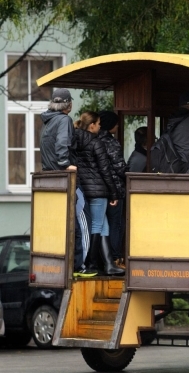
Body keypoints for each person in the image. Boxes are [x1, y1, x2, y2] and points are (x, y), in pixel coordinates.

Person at [40, 89, 95, 277]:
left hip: (52, 178)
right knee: (83, 219)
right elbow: (62, 144)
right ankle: (81, 265)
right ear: (68, 105)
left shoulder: (48, 123)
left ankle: (71, 264)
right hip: (67, 179)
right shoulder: (63, 120)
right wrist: (66, 165)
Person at [72, 112, 124, 276]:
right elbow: (105, 170)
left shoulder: (74, 140)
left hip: (84, 188)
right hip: (98, 189)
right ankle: (91, 262)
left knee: (103, 224)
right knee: (97, 225)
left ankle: (108, 263)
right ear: (92, 125)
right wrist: (113, 193)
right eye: (99, 124)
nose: (101, 127)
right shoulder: (96, 143)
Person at [97, 112, 128, 266]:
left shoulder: (94, 139)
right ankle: (115, 257)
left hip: (97, 189)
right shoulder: (111, 143)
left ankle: (102, 258)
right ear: (111, 125)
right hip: (115, 189)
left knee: (101, 225)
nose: (118, 126)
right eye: (116, 124)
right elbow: (119, 167)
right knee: (117, 223)